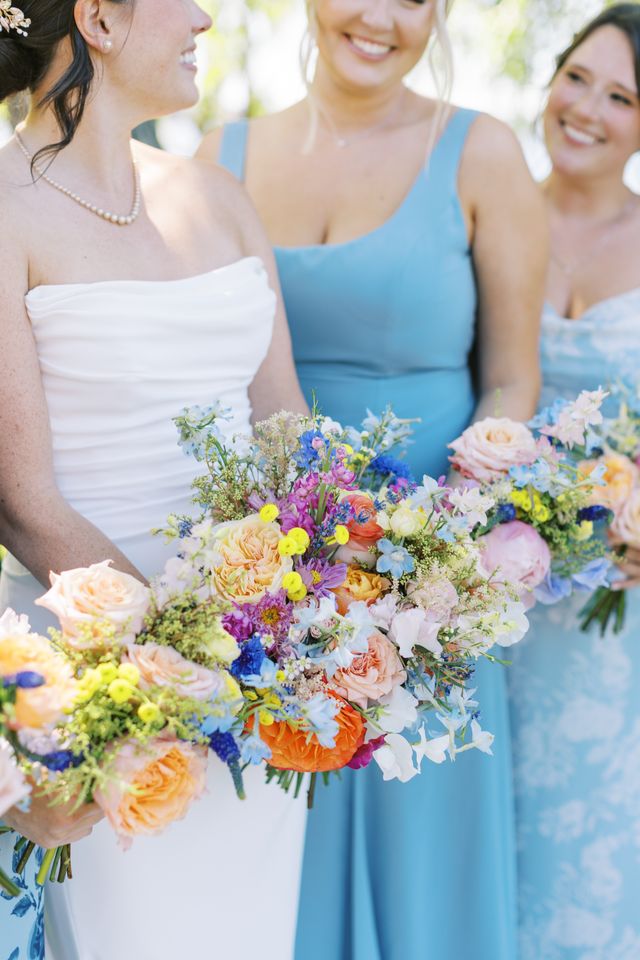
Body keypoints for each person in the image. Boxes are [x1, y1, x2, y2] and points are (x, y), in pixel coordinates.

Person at [198, 0, 547, 956]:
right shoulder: (218, 150)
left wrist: (444, 543)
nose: (384, 17)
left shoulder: (482, 153)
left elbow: (514, 373)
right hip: (275, 578)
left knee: (423, 842)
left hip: (434, 582)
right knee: (275, 835)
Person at [0, 1, 308, 958]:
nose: (206, 17)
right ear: (96, 16)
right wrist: (195, 658)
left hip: (263, 663)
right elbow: (24, 500)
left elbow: (285, 425)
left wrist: (310, 615)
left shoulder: (215, 198)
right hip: (107, 678)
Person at [507, 6, 640, 958]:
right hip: (477, 594)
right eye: (576, 77)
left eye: (622, 96)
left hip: (618, 619)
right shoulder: (487, 202)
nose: (586, 108)